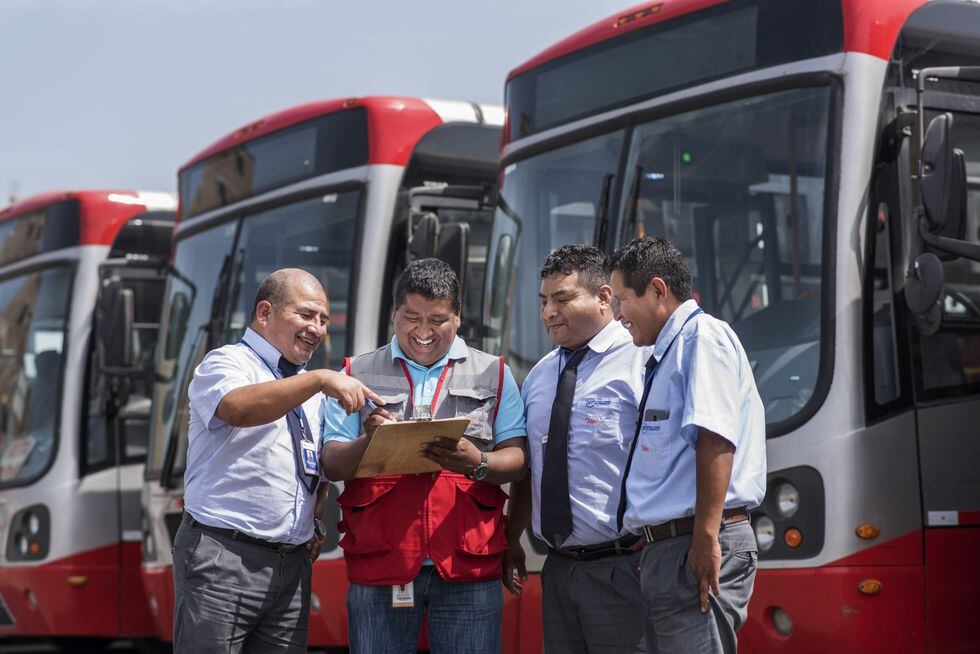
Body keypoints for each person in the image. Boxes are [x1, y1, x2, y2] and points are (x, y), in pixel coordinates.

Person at [320, 258, 527, 654]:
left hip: (468, 564)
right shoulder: (354, 372)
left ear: (458, 317)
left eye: (438, 320)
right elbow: (331, 462)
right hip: (383, 563)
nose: (424, 332)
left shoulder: (495, 373)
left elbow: (517, 461)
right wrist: (369, 441)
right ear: (394, 313)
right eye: (411, 318)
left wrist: (477, 462)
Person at [173, 268, 380, 653]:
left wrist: (372, 437)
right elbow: (237, 408)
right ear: (265, 313)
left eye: (323, 319)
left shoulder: (310, 385)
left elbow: (313, 466)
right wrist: (318, 380)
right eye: (306, 314)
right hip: (224, 557)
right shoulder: (228, 362)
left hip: (291, 565)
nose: (317, 329)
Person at [609, 237, 766, 654]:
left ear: (658, 290)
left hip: (695, 545)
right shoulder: (669, 351)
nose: (617, 314)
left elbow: (716, 438)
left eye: (622, 300)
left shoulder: (702, 338)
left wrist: (705, 538)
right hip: (672, 548)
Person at [503, 245, 649, 653]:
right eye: (544, 301)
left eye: (563, 299)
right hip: (559, 569)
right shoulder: (539, 376)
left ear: (604, 297)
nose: (549, 312)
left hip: (626, 568)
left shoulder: (642, 361)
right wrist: (511, 539)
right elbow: (531, 471)